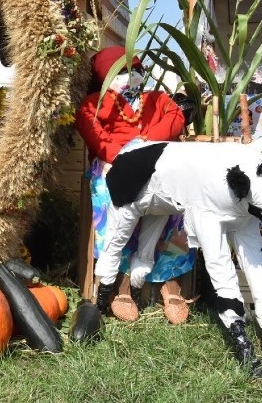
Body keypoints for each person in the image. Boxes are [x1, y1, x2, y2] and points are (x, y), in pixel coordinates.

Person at [74, 46, 195, 324]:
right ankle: (121, 280)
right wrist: (126, 154)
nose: (131, 75)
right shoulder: (95, 101)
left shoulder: (157, 97)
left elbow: (176, 117)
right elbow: (94, 132)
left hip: (159, 163)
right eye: (120, 71)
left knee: (177, 200)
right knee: (115, 198)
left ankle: (169, 277)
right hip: (114, 165)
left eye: (135, 69)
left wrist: (146, 145)